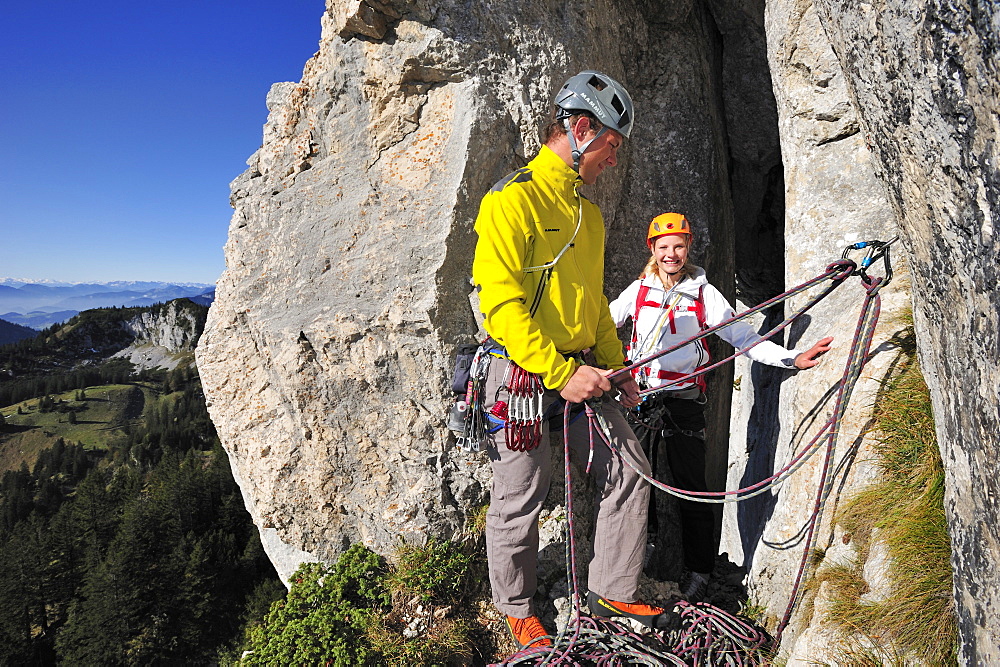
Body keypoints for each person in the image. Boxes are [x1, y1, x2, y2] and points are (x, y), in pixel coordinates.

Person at [471, 71, 679, 651]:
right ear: (582, 128)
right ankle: (516, 608)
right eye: (613, 143)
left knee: (630, 467)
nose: (614, 158)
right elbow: (502, 308)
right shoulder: (511, 201)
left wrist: (620, 370)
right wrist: (562, 374)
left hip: (585, 370)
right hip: (524, 375)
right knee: (520, 495)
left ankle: (611, 588)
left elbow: (590, 308)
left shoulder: (590, 217)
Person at [609, 212, 833, 602]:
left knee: (692, 490)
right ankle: (641, 554)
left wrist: (791, 358)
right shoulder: (639, 291)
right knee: (636, 483)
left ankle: (699, 570)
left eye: (678, 246)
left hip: (683, 404)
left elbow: (742, 336)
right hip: (641, 399)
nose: (671, 254)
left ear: (688, 246)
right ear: (652, 249)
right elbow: (603, 322)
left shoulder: (704, 294)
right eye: (664, 247)